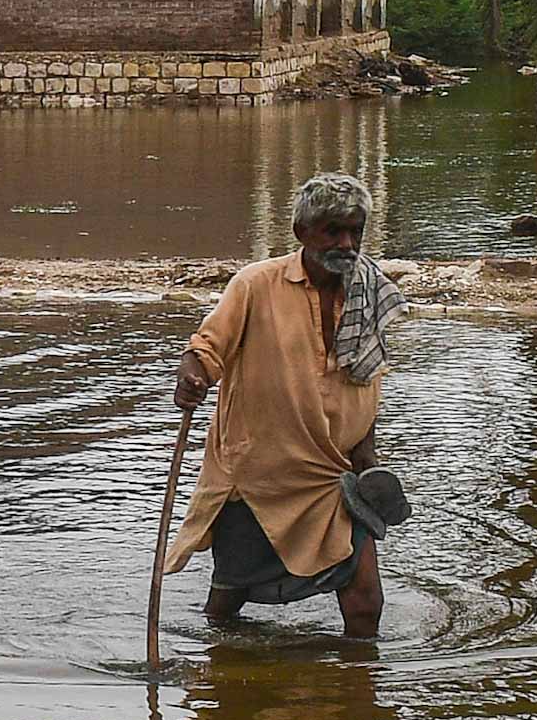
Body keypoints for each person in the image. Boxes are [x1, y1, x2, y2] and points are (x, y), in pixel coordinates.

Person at [164, 173, 411, 639]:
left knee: (365, 605)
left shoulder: (368, 288)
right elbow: (207, 347)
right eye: (333, 231)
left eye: (355, 231)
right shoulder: (255, 285)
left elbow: (365, 378)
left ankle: (355, 701)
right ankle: (223, 682)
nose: (346, 242)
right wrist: (192, 374)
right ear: (302, 232)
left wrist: (367, 450)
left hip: (334, 475)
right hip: (261, 475)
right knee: (228, 601)